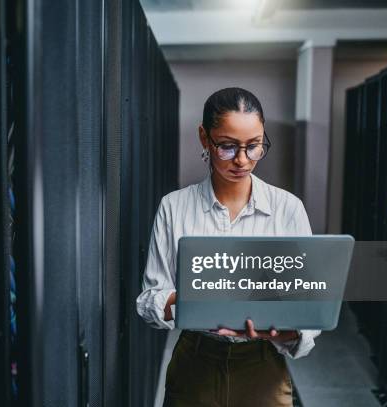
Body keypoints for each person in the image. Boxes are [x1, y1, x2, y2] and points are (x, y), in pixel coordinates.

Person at [136, 87, 321, 407]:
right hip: (196, 361)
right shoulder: (174, 207)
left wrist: (287, 333)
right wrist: (186, 298)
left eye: (254, 146)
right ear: (204, 138)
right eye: (227, 146)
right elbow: (149, 300)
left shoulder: (287, 209)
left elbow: (308, 306)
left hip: (263, 364)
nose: (242, 159)